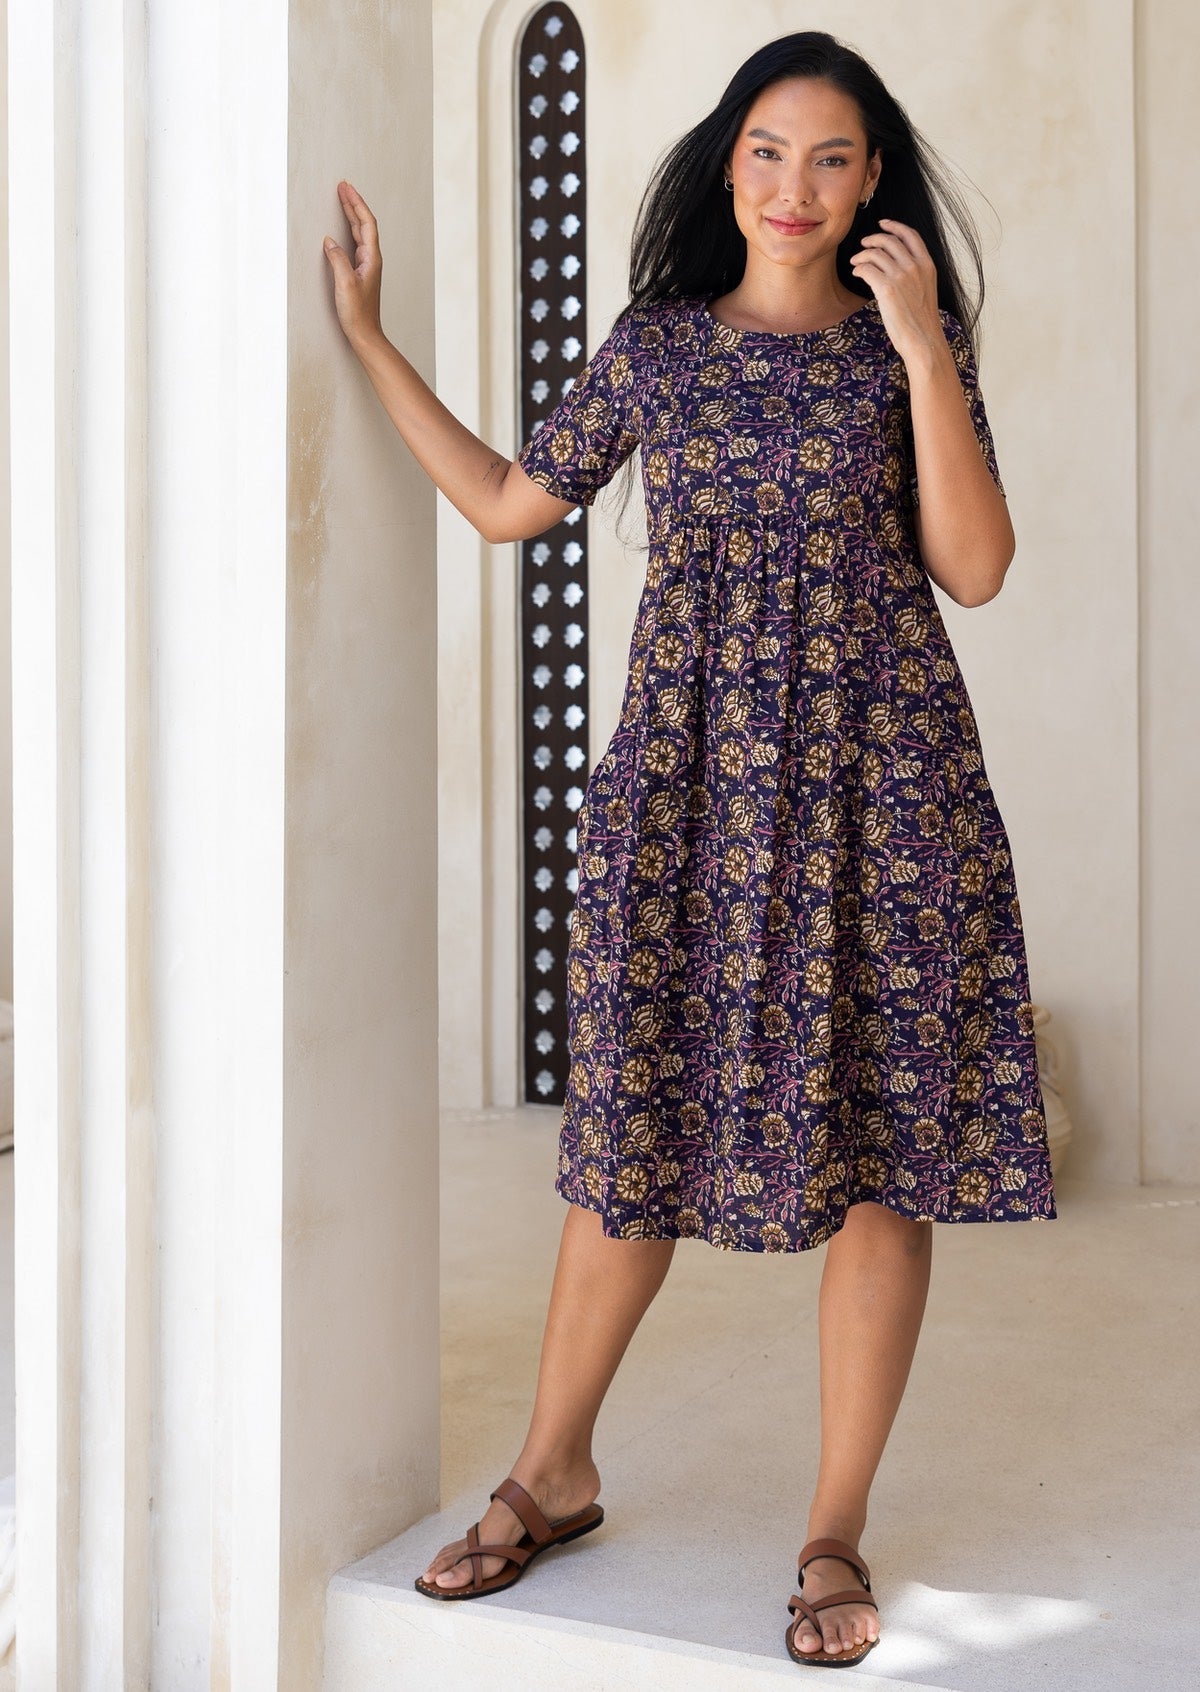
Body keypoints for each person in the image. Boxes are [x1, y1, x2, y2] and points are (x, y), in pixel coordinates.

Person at [324, 27, 1056, 1671]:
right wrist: (371, 342)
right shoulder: (659, 350)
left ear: (878, 187)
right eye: (769, 153)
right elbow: (517, 504)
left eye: (835, 159)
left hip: (886, 791)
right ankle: (553, 1469)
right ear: (728, 167)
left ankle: (831, 1531)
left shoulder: (902, 351)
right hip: (693, 790)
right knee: (630, 1130)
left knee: (874, 1158)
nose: (796, 188)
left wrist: (928, 346)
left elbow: (978, 565)